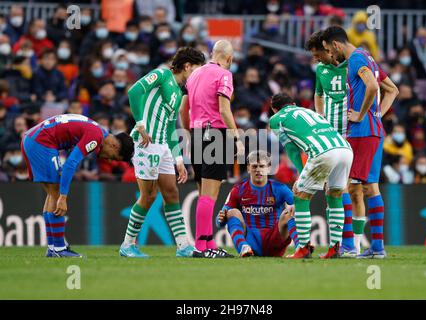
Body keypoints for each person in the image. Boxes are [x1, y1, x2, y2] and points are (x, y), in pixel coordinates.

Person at [119, 47, 206, 258]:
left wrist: (177, 158)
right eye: (197, 70)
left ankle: (184, 246)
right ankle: (127, 245)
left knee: (171, 193)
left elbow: (169, 127)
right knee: (148, 196)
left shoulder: (178, 92)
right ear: (186, 66)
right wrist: (140, 123)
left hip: (163, 147)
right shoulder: (161, 74)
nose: (198, 75)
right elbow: (134, 91)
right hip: (145, 143)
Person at [322, 26, 399, 258]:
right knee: (370, 187)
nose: (330, 56)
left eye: (328, 50)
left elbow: (373, 87)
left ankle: (347, 246)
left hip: (361, 132)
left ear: (335, 45)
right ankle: (377, 247)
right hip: (375, 131)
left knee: (341, 184)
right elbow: (392, 90)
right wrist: (376, 115)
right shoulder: (367, 57)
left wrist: (361, 114)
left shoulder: (355, 59)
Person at [21, 114, 133, 257]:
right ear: (114, 145)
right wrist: (63, 196)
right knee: (55, 194)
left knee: (51, 193)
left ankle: (52, 248)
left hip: (31, 138)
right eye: (112, 157)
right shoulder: (96, 136)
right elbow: (71, 163)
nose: (109, 160)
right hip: (41, 142)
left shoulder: (99, 132)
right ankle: (59, 249)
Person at [180, 40, 245, 258]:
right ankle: (202, 246)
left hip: (197, 134)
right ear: (229, 58)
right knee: (211, 193)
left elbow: (183, 108)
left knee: (203, 193)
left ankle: (207, 245)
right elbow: (224, 109)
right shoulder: (224, 74)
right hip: (216, 134)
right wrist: (236, 138)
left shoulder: (195, 74)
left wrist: (189, 134)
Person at [269, 93, 353, 259]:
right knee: (335, 196)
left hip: (323, 152)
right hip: (345, 149)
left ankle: (303, 248)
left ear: (274, 109)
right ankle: (335, 248)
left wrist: (300, 174)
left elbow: (291, 149)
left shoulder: (276, 119)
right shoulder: (310, 111)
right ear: (293, 103)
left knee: (300, 197)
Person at [305, 30, 355, 256]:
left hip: (352, 132)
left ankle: (353, 242)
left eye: (318, 55)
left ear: (329, 49)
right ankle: (344, 244)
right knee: (333, 188)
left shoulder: (352, 65)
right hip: (331, 135)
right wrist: (321, 117)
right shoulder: (320, 70)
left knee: (355, 187)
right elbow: (318, 95)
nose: (316, 59)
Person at [216, 150, 300, 257]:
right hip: (250, 243)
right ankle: (243, 247)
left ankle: (300, 248)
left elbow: (300, 205)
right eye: (254, 166)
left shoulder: (279, 188)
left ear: (269, 168)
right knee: (232, 212)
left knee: (289, 212)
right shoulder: (238, 189)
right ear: (248, 168)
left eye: (262, 166)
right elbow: (218, 222)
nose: (258, 170)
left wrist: (296, 205)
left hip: (274, 242)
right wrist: (221, 219)